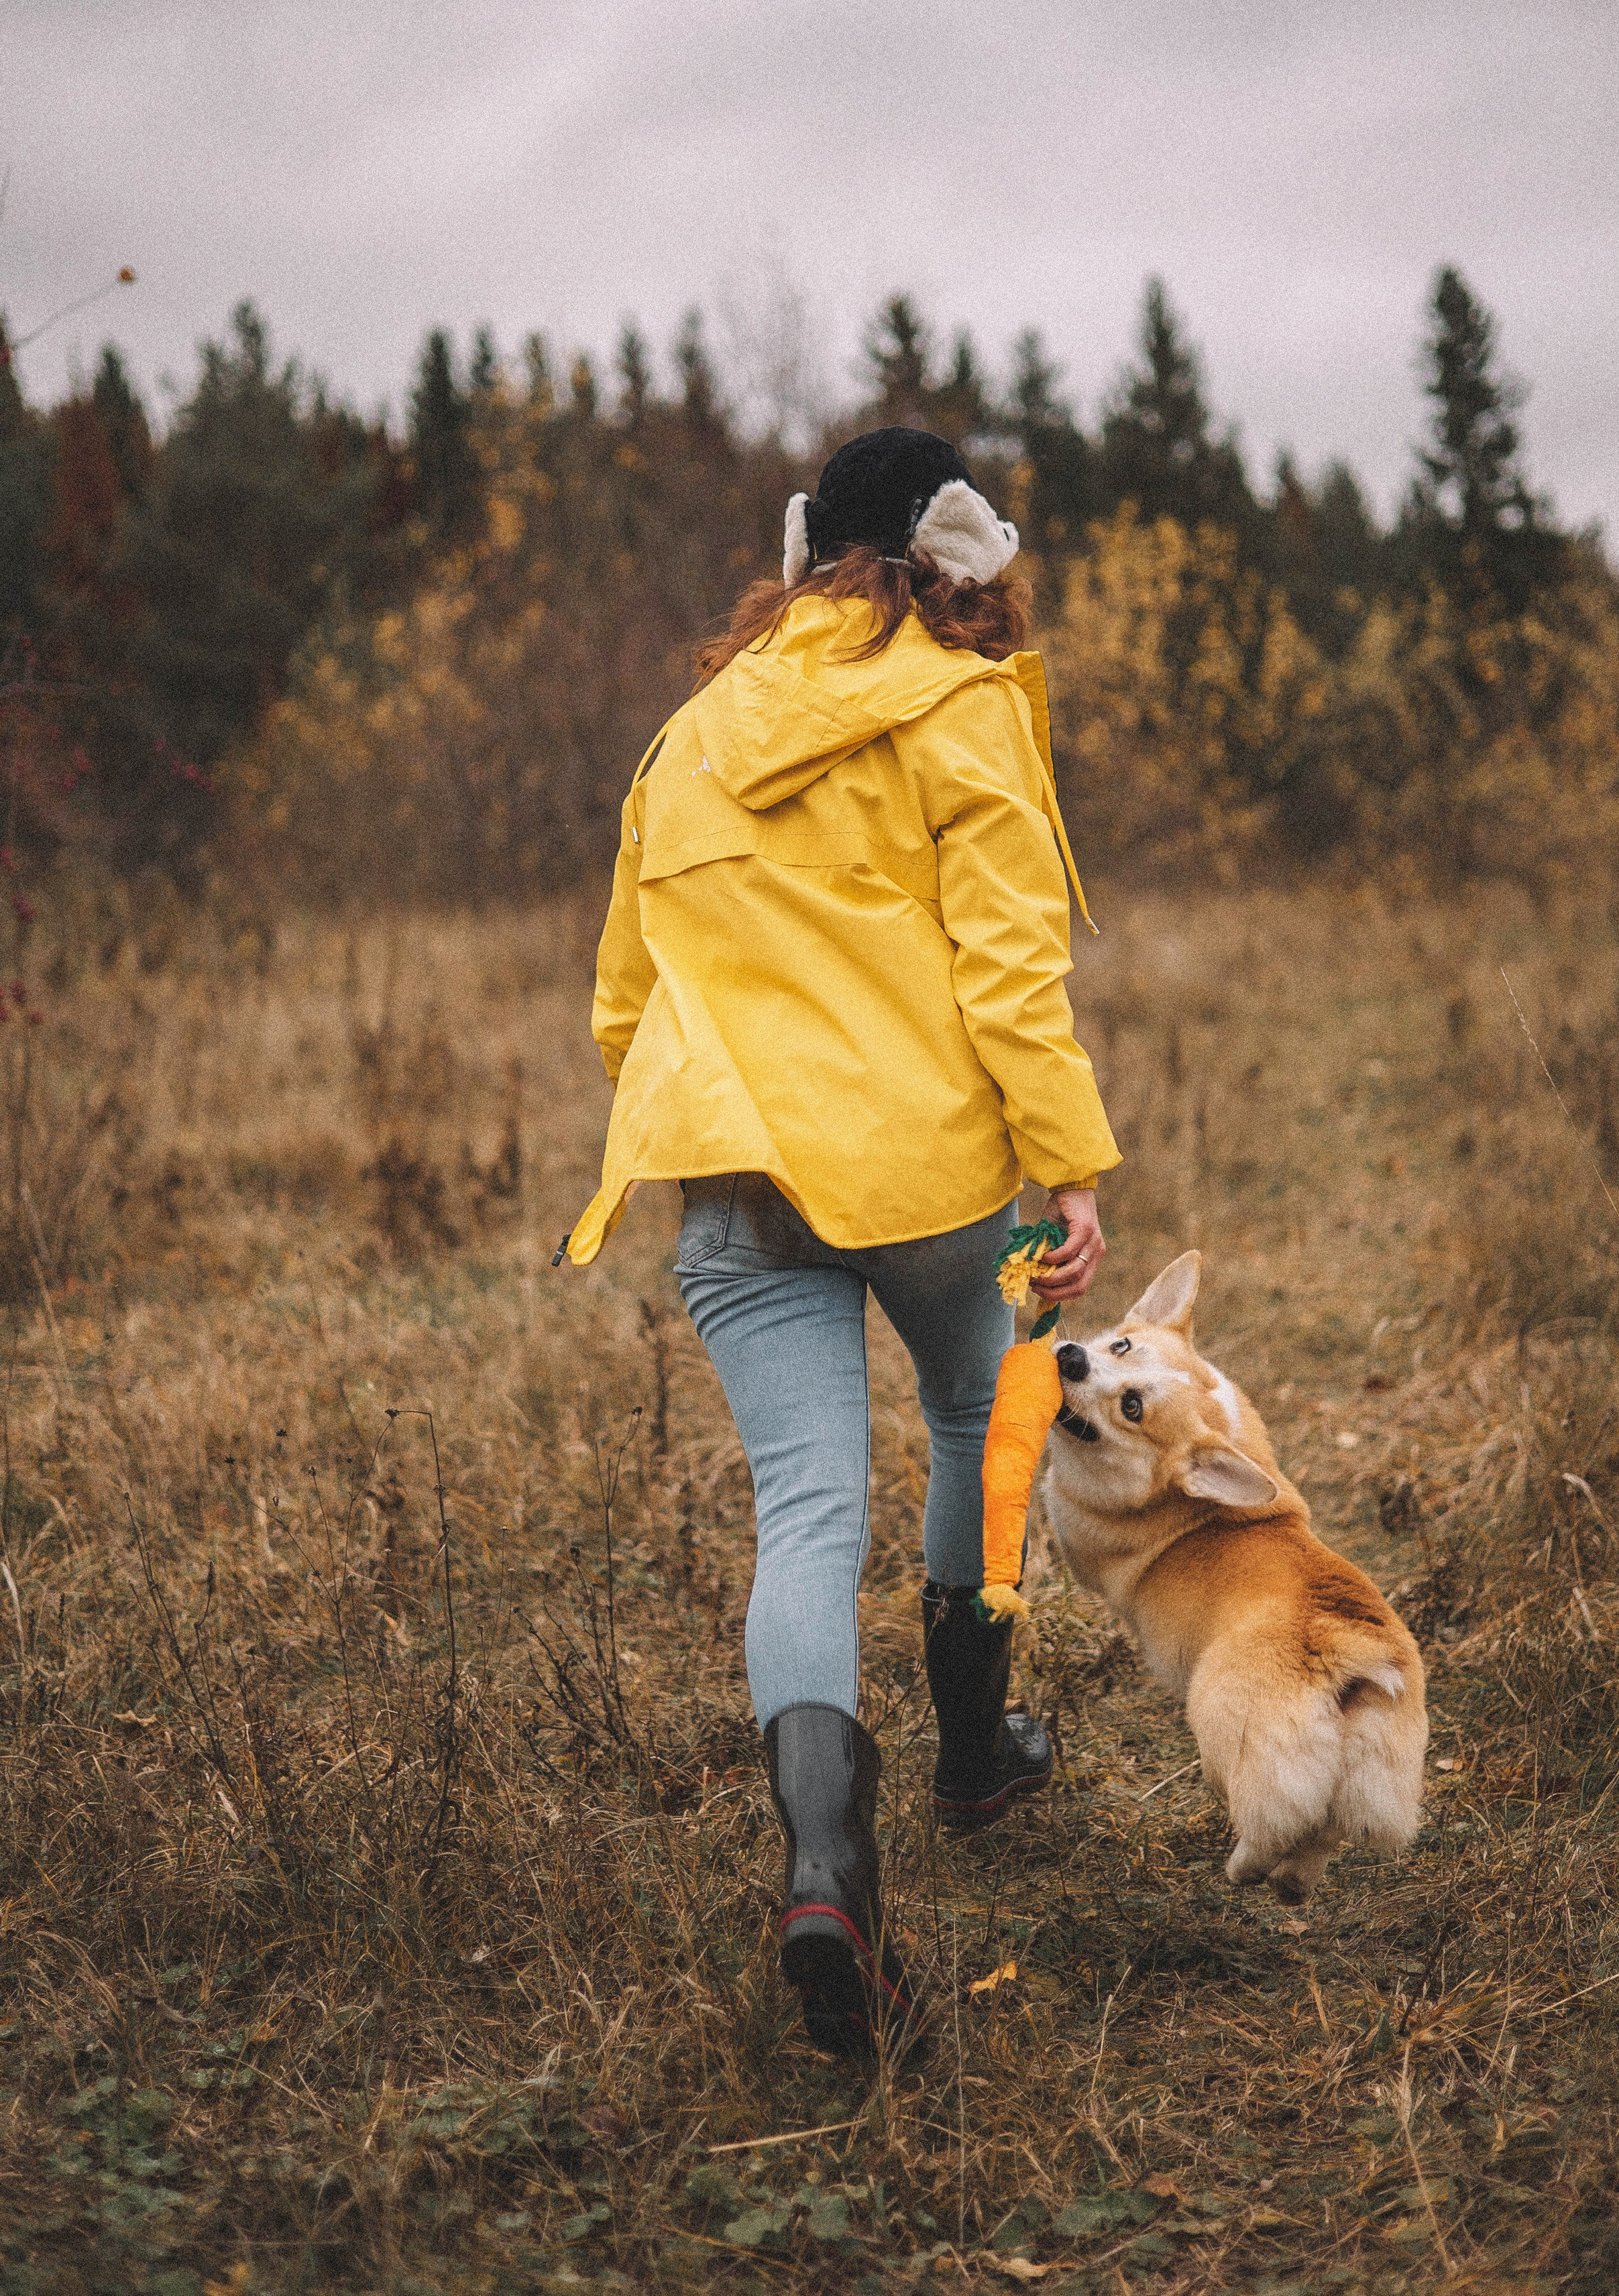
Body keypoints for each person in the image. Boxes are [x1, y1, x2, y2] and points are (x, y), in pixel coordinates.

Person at [561, 427, 1119, 2055]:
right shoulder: (963, 707)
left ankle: (824, 1873)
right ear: (954, 562)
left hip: (734, 1183)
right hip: (928, 1176)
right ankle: (974, 1754)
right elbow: (1008, 970)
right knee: (978, 1410)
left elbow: (621, 1008)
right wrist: (1066, 1166)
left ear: (806, 554)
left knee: (805, 1511)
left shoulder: (687, 737)